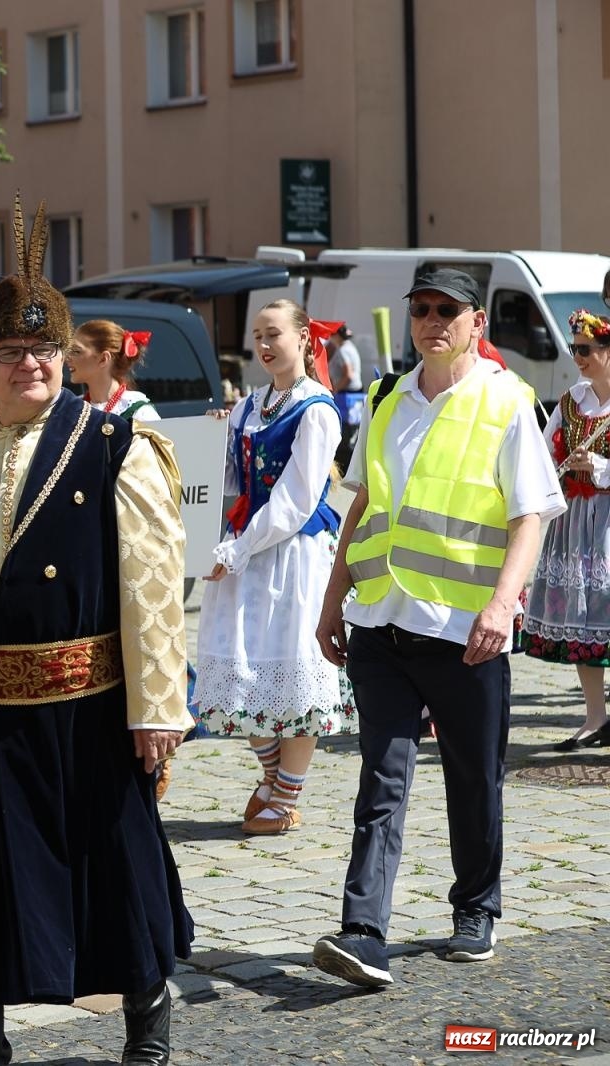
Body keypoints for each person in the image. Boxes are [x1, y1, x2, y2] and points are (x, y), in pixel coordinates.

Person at [0, 198, 194, 1066]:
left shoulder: (116, 446)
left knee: (116, 875)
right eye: (9, 352)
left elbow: (151, 588)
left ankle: (147, 1031)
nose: (28, 364)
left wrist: (157, 710)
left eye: (43, 350)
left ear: (66, 358)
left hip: (90, 711)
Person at [313, 268, 564, 988]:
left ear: (476, 322)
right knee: (381, 779)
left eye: (446, 311)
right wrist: (334, 599)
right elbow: (360, 506)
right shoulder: (388, 397)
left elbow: (532, 515)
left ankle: (476, 907)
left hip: (465, 628)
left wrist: (502, 605)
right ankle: (362, 932)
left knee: (473, 776)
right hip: (382, 622)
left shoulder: (506, 402)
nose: (431, 322)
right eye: (420, 310)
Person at [197, 299, 355, 835]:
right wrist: (207, 444)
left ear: (304, 339)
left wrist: (237, 549)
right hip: (248, 548)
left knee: (291, 669)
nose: (264, 346)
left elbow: (296, 499)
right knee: (243, 665)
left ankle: (284, 795)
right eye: (258, 336)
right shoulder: (250, 404)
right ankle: (270, 782)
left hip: (294, 555)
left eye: (275, 335)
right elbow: (233, 482)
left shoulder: (316, 408)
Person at [520, 309, 610, 750]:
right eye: (574, 349)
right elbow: (543, 450)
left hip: (608, 523)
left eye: (586, 350)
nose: (578, 357)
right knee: (584, 615)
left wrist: (600, 465)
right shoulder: (573, 399)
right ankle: (595, 717)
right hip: (578, 523)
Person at [65, 319, 160, 422]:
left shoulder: (139, 412)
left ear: (103, 359)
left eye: (76, 351)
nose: (67, 357)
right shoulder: (73, 409)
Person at [327, 325, 363, 394]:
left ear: (337, 335)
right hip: (354, 389)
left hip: (347, 392)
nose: (330, 337)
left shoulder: (343, 350)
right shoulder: (349, 346)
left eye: (332, 334)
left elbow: (348, 375)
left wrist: (334, 391)